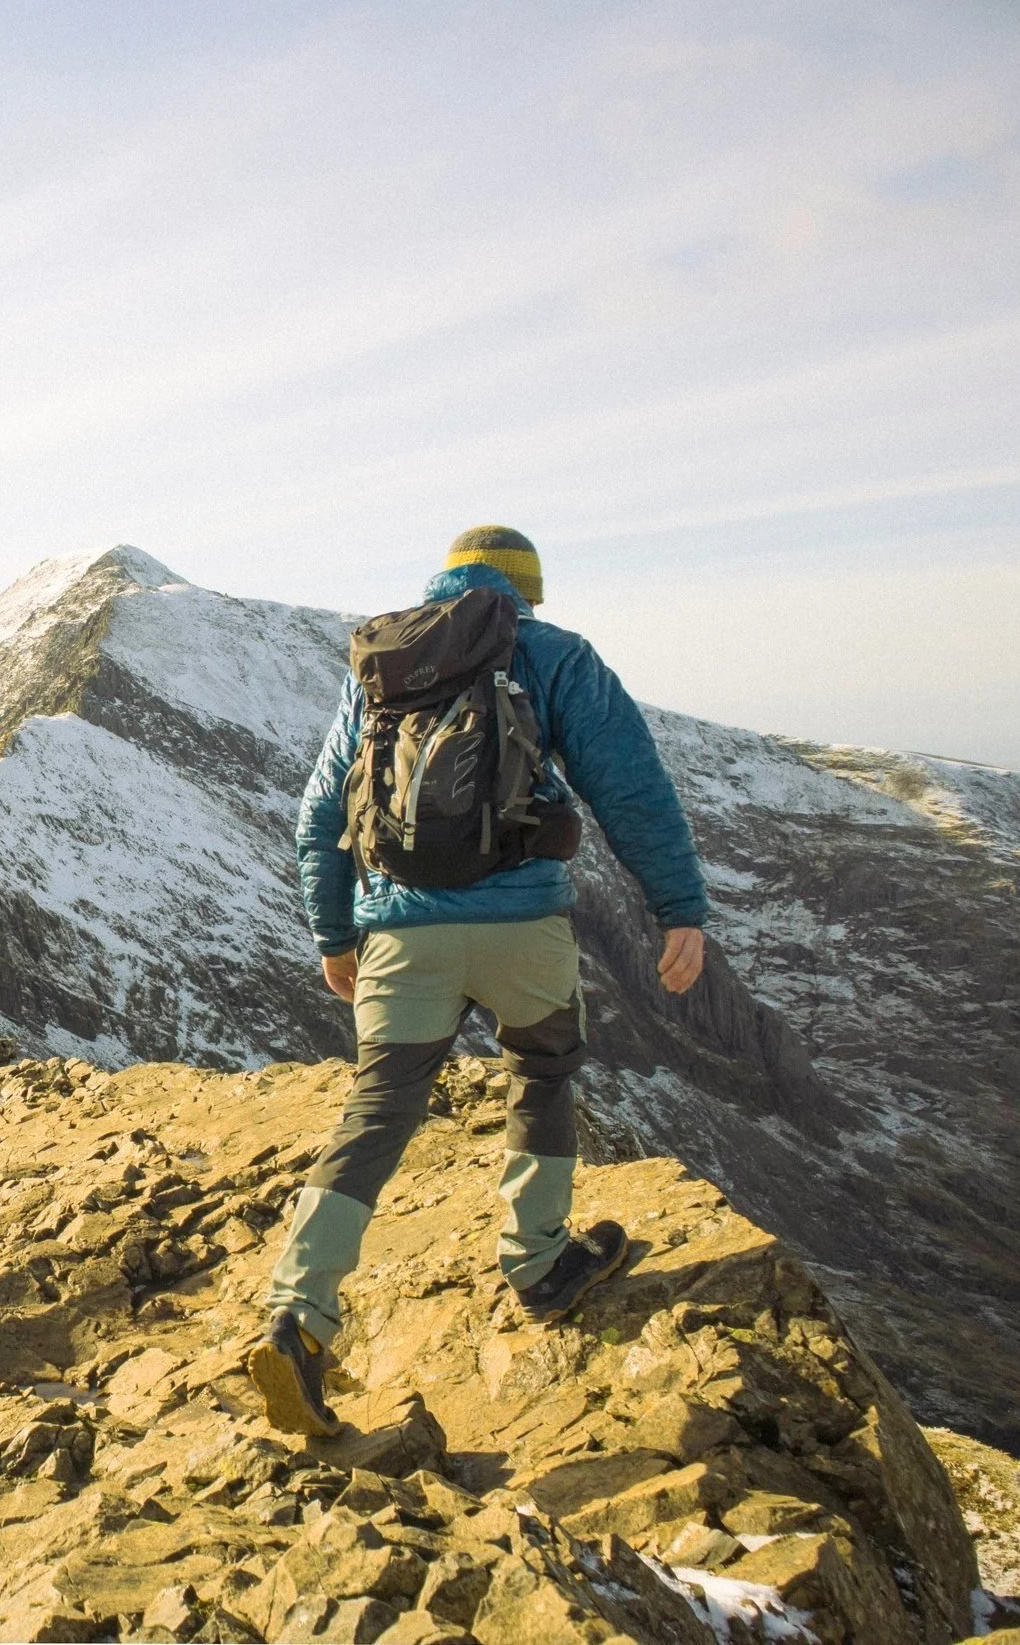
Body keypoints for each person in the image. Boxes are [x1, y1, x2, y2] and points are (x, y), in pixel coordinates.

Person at [249, 525, 710, 1437]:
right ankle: (539, 1265)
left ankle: (298, 1319)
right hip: (521, 928)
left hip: (397, 932)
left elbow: (321, 809)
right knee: (540, 1072)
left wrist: (333, 929)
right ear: (526, 591)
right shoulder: (552, 655)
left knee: (380, 1107)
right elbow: (631, 788)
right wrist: (677, 906)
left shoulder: (385, 666)